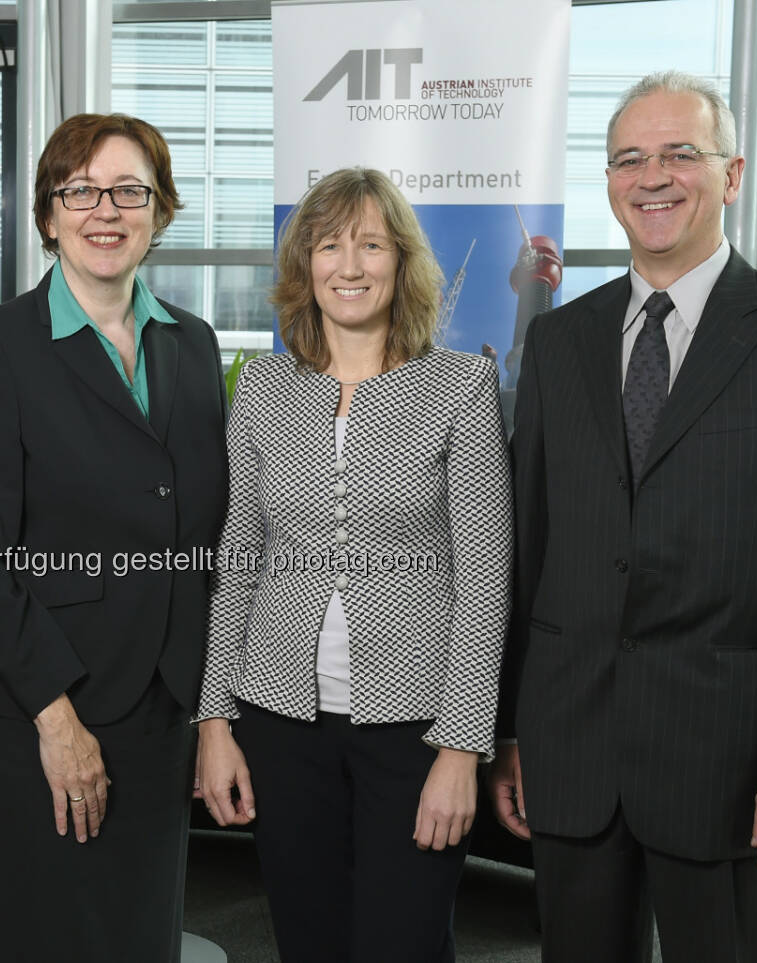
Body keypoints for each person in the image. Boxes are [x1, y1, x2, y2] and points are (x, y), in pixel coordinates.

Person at [489, 71, 757, 962]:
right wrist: (513, 730)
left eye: (681, 153)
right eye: (629, 157)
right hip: (575, 750)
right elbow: (531, 552)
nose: (653, 176)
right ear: (609, 181)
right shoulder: (558, 342)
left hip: (735, 769)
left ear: (732, 174)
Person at [0, 113, 228, 962]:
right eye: (80, 190)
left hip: (157, 701)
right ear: (49, 213)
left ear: (159, 210)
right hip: (40, 708)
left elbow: (202, 528)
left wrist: (208, 707)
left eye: (130, 191)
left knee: (135, 937)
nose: (107, 210)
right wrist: (54, 717)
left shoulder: (192, 345)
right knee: (32, 935)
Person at [195, 167, 512, 963]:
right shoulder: (264, 386)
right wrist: (213, 722)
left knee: (402, 942)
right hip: (278, 722)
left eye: (371, 244)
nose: (350, 264)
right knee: (308, 939)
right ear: (304, 265)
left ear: (402, 262)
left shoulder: (461, 385)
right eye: (328, 245)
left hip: (416, 729)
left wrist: (461, 747)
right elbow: (238, 561)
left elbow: (483, 575)